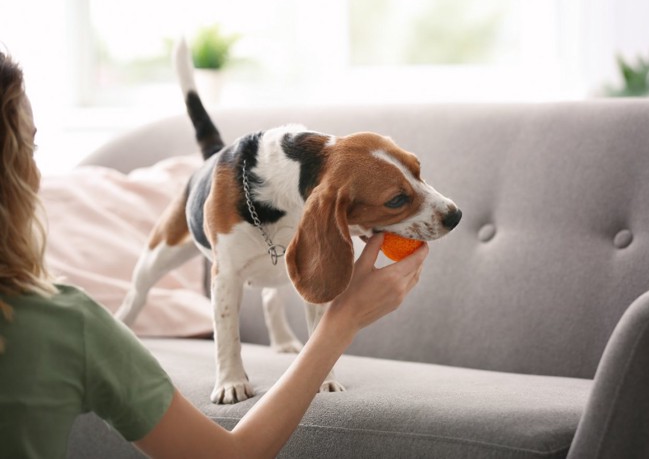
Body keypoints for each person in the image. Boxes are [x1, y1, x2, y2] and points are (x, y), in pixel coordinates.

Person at [0, 50, 429, 458]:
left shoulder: (53, 319)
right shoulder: (66, 324)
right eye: (31, 148)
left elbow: (307, 267)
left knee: (277, 260)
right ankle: (132, 312)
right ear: (14, 172)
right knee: (153, 272)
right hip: (209, 210)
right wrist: (347, 316)